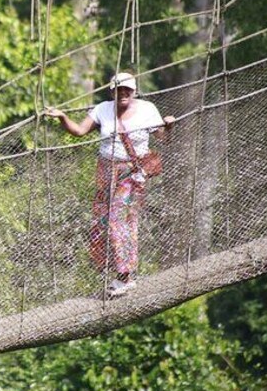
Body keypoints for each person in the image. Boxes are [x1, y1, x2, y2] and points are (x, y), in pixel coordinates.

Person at [44, 72, 175, 297]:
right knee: (102, 222)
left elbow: (163, 138)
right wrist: (62, 117)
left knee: (120, 219)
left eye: (128, 90)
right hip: (106, 170)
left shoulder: (147, 109)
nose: (123, 93)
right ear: (111, 91)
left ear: (134, 91)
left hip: (131, 173)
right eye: (119, 89)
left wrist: (169, 126)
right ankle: (114, 270)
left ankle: (125, 276)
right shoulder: (102, 109)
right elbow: (78, 131)